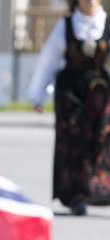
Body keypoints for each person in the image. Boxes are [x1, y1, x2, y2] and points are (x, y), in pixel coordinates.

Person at [28, 0, 110, 215]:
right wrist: (38, 95)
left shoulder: (106, 23)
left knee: (100, 138)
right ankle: (77, 196)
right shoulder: (66, 24)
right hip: (69, 90)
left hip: (100, 91)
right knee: (75, 137)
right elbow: (49, 59)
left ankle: (97, 191)